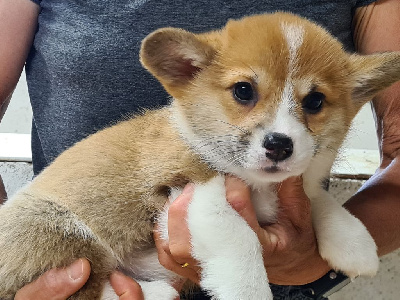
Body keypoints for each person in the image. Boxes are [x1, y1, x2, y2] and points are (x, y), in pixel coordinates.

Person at [0, 0, 399, 299]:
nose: (281, 132)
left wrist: (316, 255)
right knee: (41, 230)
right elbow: (202, 201)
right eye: (245, 92)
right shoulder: (190, 146)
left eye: (312, 103)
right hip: (61, 235)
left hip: (274, 285)